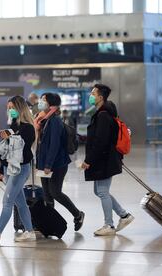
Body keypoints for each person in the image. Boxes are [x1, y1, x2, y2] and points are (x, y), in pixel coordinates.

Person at [0, 96, 36, 243]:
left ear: (20, 109)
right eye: (8, 108)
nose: (10, 110)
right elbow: (6, 152)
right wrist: (1, 169)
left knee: (7, 201)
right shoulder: (13, 126)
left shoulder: (28, 128)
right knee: (20, 203)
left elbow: (22, 153)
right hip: (8, 169)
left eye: (12, 107)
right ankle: (30, 232)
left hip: (19, 169)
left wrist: (12, 139)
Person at [81, 84, 134, 236]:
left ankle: (109, 225)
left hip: (104, 159)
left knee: (102, 191)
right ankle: (124, 215)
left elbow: (100, 141)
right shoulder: (102, 113)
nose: (91, 95)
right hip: (104, 158)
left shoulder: (103, 115)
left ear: (100, 97)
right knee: (99, 191)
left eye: (93, 93)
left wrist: (88, 160)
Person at [34, 92, 85, 232]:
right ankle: (50, 224)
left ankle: (77, 214)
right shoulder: (42, 120)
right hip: (43, 163)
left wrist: (48, 165)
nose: (40, 102)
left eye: (43, 100)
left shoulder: (55, 120)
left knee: (55, 192)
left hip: (56, 164)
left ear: (51, 104)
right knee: (47, 195)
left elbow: (54, 144)